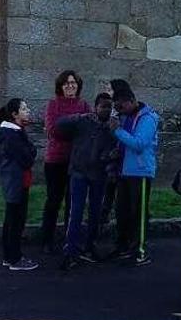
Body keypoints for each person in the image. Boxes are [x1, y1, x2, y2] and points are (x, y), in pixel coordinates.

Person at [55, 93, 118, 271]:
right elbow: (60, 125)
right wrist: (78, 116)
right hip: (79, 172)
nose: (106, 110)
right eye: (103, 106)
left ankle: (90, 245)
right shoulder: (83, 122)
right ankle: (71, 250)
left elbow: (112, 150)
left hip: (99, 174)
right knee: (76, 212)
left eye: (109, 106)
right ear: (95, 106)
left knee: (95, 213)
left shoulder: (111, 129)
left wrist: (109, 158)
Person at [108, 79, 160, 266]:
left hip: (140, 171)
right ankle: (123, 244)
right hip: (124, 170)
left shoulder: (148, 118)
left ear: (131, 101)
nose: (119, 110)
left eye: (121, 106)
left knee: (138, 212)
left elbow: (139, 144)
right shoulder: (125, 116)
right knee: (122, 210)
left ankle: (140, 249)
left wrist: (118, 132)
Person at [41, 70, 91, 254]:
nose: (70, 86)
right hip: (56, 159)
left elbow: (89, 129)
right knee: (54, 200)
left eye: (74, 83)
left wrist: (69, 126)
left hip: (77, 160)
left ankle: (71, 239)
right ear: (60, 86)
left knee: (73, 201)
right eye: (66, 83)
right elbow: (53, 130)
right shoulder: (53, 104)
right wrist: (75, 124)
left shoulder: (84, 105)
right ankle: (47, 239)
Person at [0, 98, 39, 272]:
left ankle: (10, 256)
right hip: (16, 182)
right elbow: (27, 157)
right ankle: (14, 258)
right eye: (24, 109)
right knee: (15, 221)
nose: (27, 111)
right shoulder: (12, 135)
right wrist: (31, 151)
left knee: (13, 220)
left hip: (17, 181)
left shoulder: (15, 132)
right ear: (14, 114)